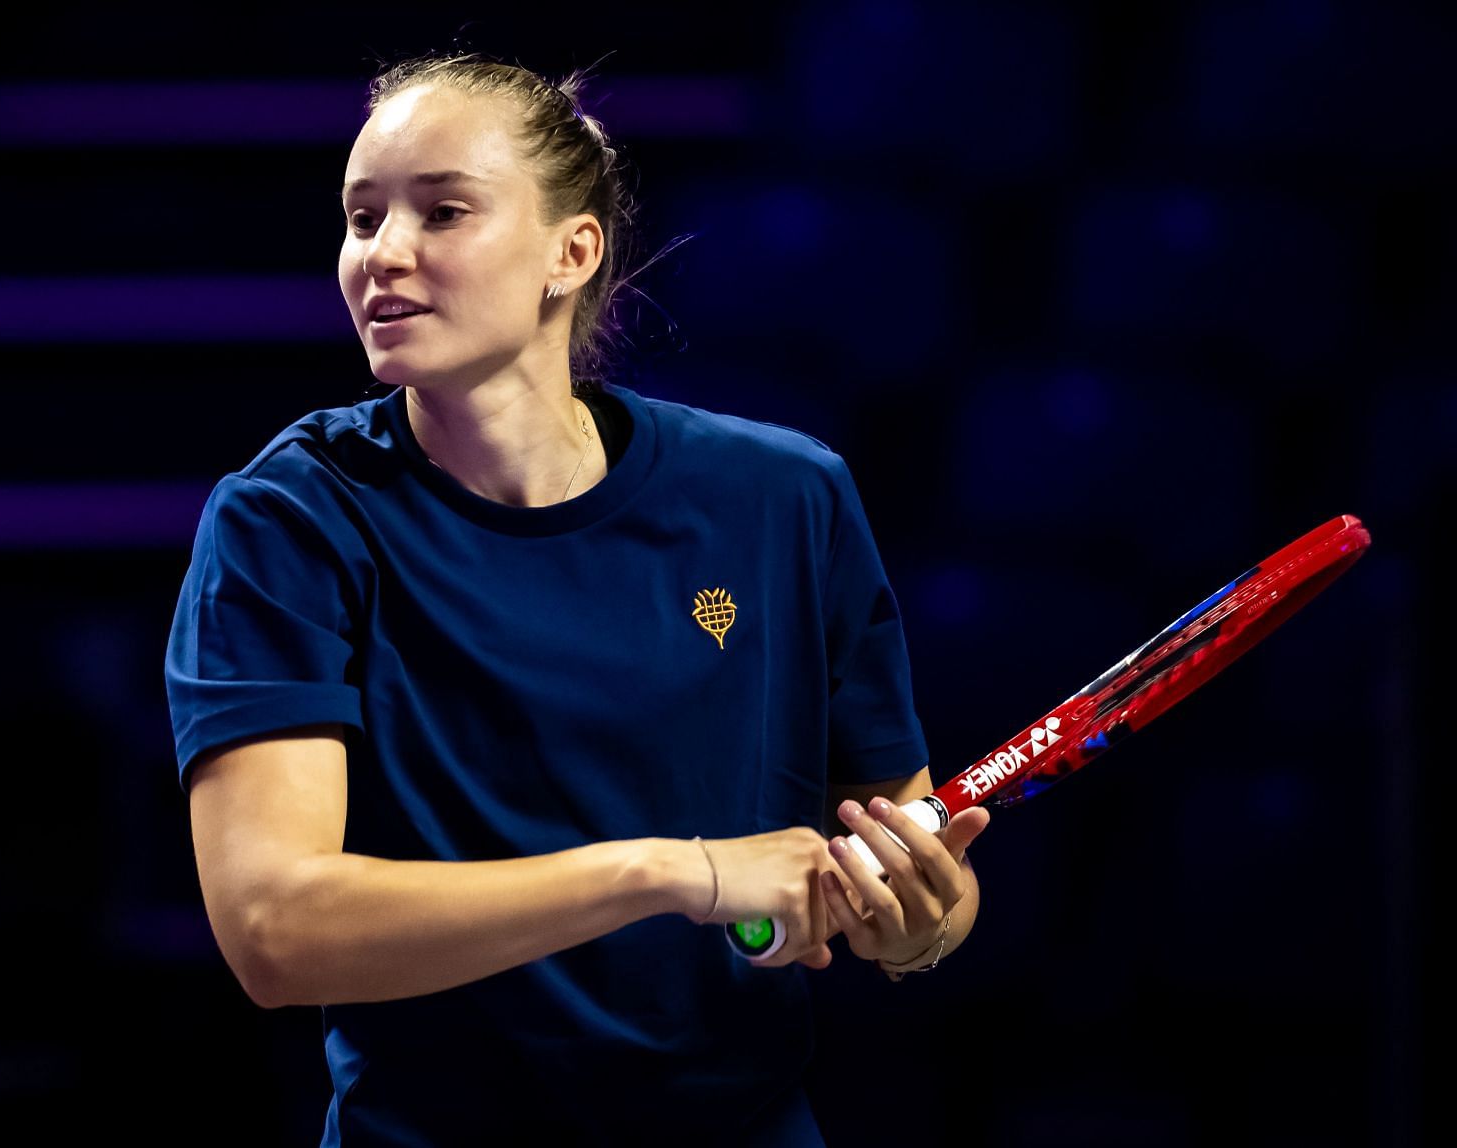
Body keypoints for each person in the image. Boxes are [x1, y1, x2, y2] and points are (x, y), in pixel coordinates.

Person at [164, 49, 990, 1147]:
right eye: (362, 220)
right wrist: (669, 871)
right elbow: (276, 929)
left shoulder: (784, 496)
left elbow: (913, 852)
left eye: (443, 211)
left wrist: (915, 925)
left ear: (573, 249)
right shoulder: (289, 521)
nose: (383, 256)